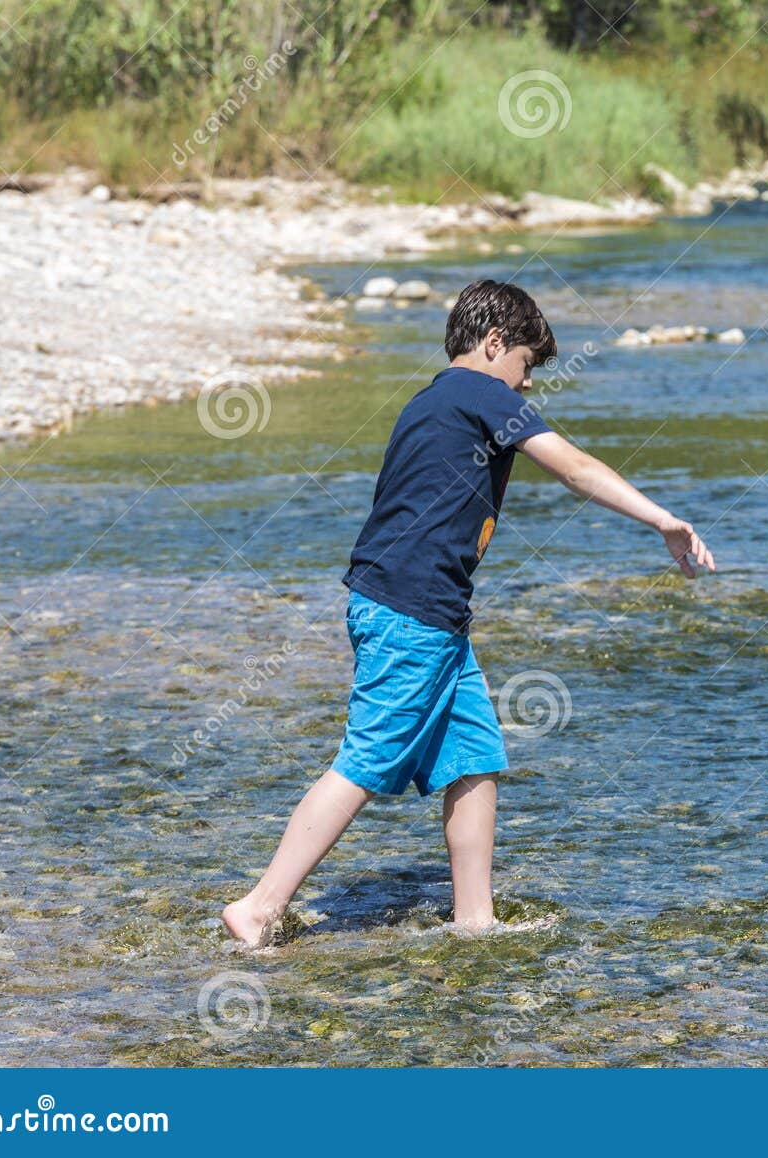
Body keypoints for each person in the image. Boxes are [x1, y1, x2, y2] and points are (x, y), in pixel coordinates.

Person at [223, 279, 715, 947]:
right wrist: (662, 518)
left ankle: (472, 920)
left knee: (473, 757)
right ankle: (260, 905)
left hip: (427, 613)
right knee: (366, 760)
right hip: (410, 611)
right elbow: (571, 466)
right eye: (526, 366)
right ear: (493, 345)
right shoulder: (484, 394)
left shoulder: (429, 402)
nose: (528, 385)